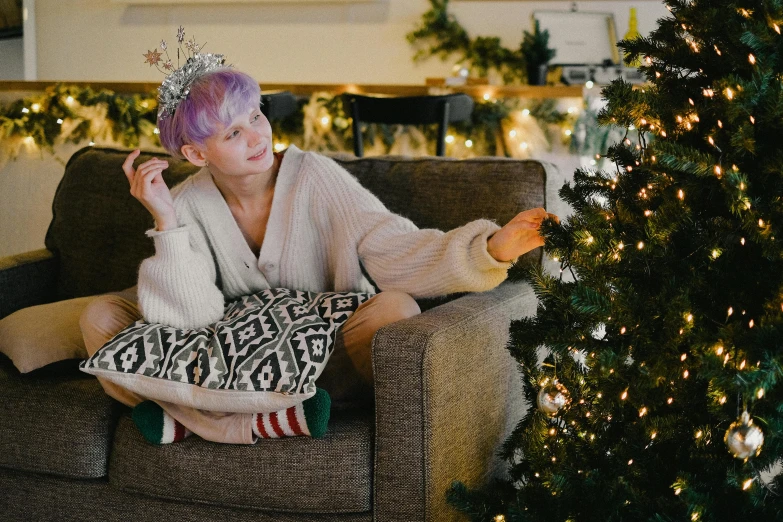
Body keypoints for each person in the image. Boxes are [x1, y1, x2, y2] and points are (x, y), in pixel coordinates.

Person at [80, 48, 556, 445]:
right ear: (195, 154)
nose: (257, 136)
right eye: (234, 133)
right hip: (224, 358)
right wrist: (167, 223)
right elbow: (189, 322)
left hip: (320, 354)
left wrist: (491, 248)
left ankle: (187, 419)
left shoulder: (314, 176)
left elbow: (392, 247)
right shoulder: (184, 205)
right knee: (99, 318)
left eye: (255, 115)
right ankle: (264, 420)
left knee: (394, 310)